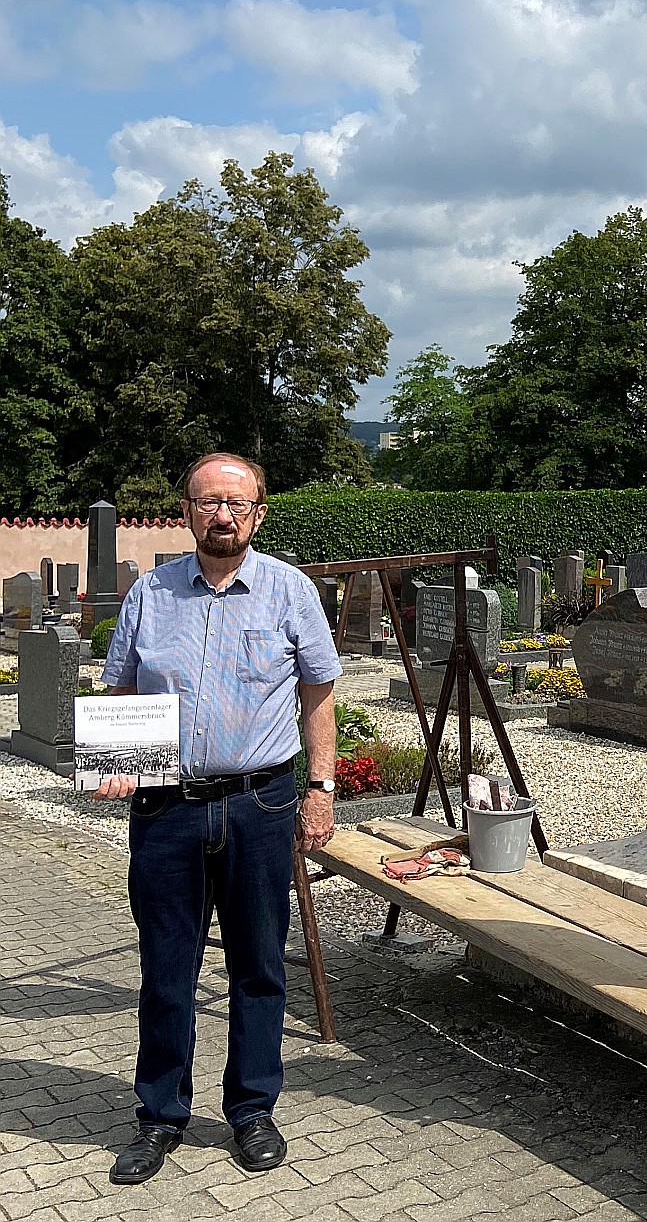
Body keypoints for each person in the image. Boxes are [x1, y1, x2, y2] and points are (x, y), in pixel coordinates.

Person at [93, 453, 341, 1185]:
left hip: (260, 803)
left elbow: (319, 692)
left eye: (236, 503)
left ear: (259, 512)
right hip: (166, 807)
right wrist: (116, 760)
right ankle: (160, 1115)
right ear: (187, 510)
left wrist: (320, 788)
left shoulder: (290, 592)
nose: (222, 515)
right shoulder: (151, 593)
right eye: (207, 503)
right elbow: (120, 691)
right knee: (166, 968)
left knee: (258, 966)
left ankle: (253, 1109)